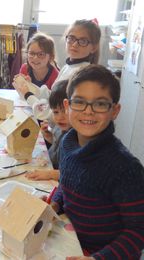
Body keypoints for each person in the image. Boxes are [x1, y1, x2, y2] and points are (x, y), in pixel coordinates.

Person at [50, 65, 144, 259]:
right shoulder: (68, 142)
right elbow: (66, 183)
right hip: (71, 239)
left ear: (115, 111)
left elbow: (138, 231)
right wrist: (56, 204)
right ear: (67, 106)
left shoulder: (125, 168)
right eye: (79, 102)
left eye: (100, 104)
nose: (88, 112)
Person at [14, 19, 101, 120]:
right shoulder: (68, 67)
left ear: (93, 48)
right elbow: (53, 95)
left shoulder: (81, 75)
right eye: (71, 38)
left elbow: (52, 114)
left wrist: (28, 95)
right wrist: (30, 87)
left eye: (82, 41)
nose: (74, 44)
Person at [25, 80, 70, 181]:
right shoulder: (60, 127)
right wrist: (49, 137)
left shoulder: (77, 137)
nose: (60, 117)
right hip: (49, 167)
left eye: (65, 112)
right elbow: (58, 146)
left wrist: (50, 174)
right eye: (56, 112)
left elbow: (73, 172)